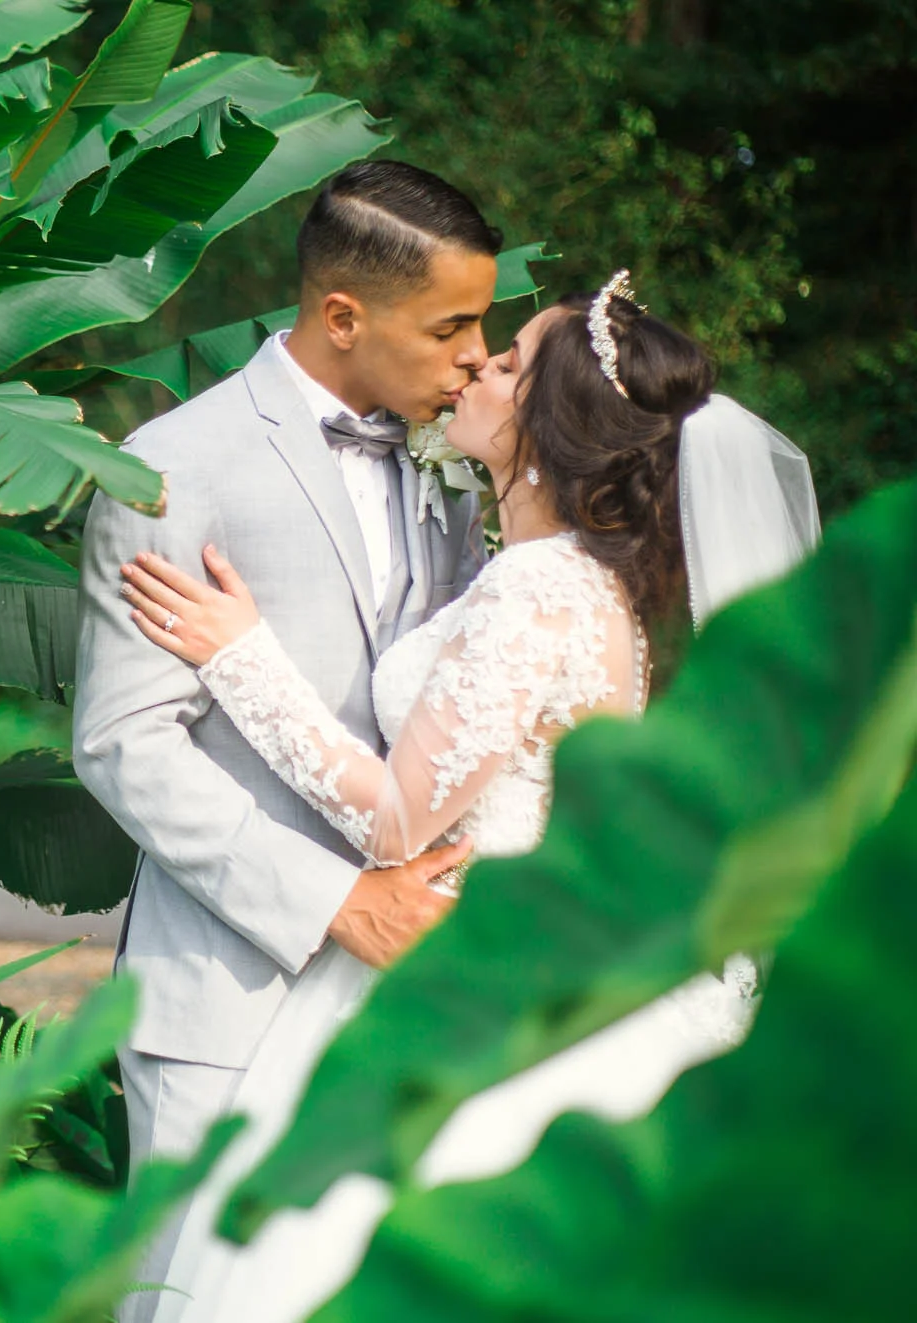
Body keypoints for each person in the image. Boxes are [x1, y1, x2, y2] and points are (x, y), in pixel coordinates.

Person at [119, 271, 818, 1321]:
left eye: (507, 362)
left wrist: (240, 655)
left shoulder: (539, 592)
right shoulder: (567, 578)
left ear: (546, 423)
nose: (475, 365)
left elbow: (397, 817)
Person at [71, 160, 497, 1323]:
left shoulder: (457, 473)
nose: (475, 356)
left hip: (409, 997)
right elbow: (122, 743)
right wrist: (337, 903)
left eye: (482, 325)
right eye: (449, 328)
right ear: (341, 315)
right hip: (227, 994)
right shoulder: (174, 467)